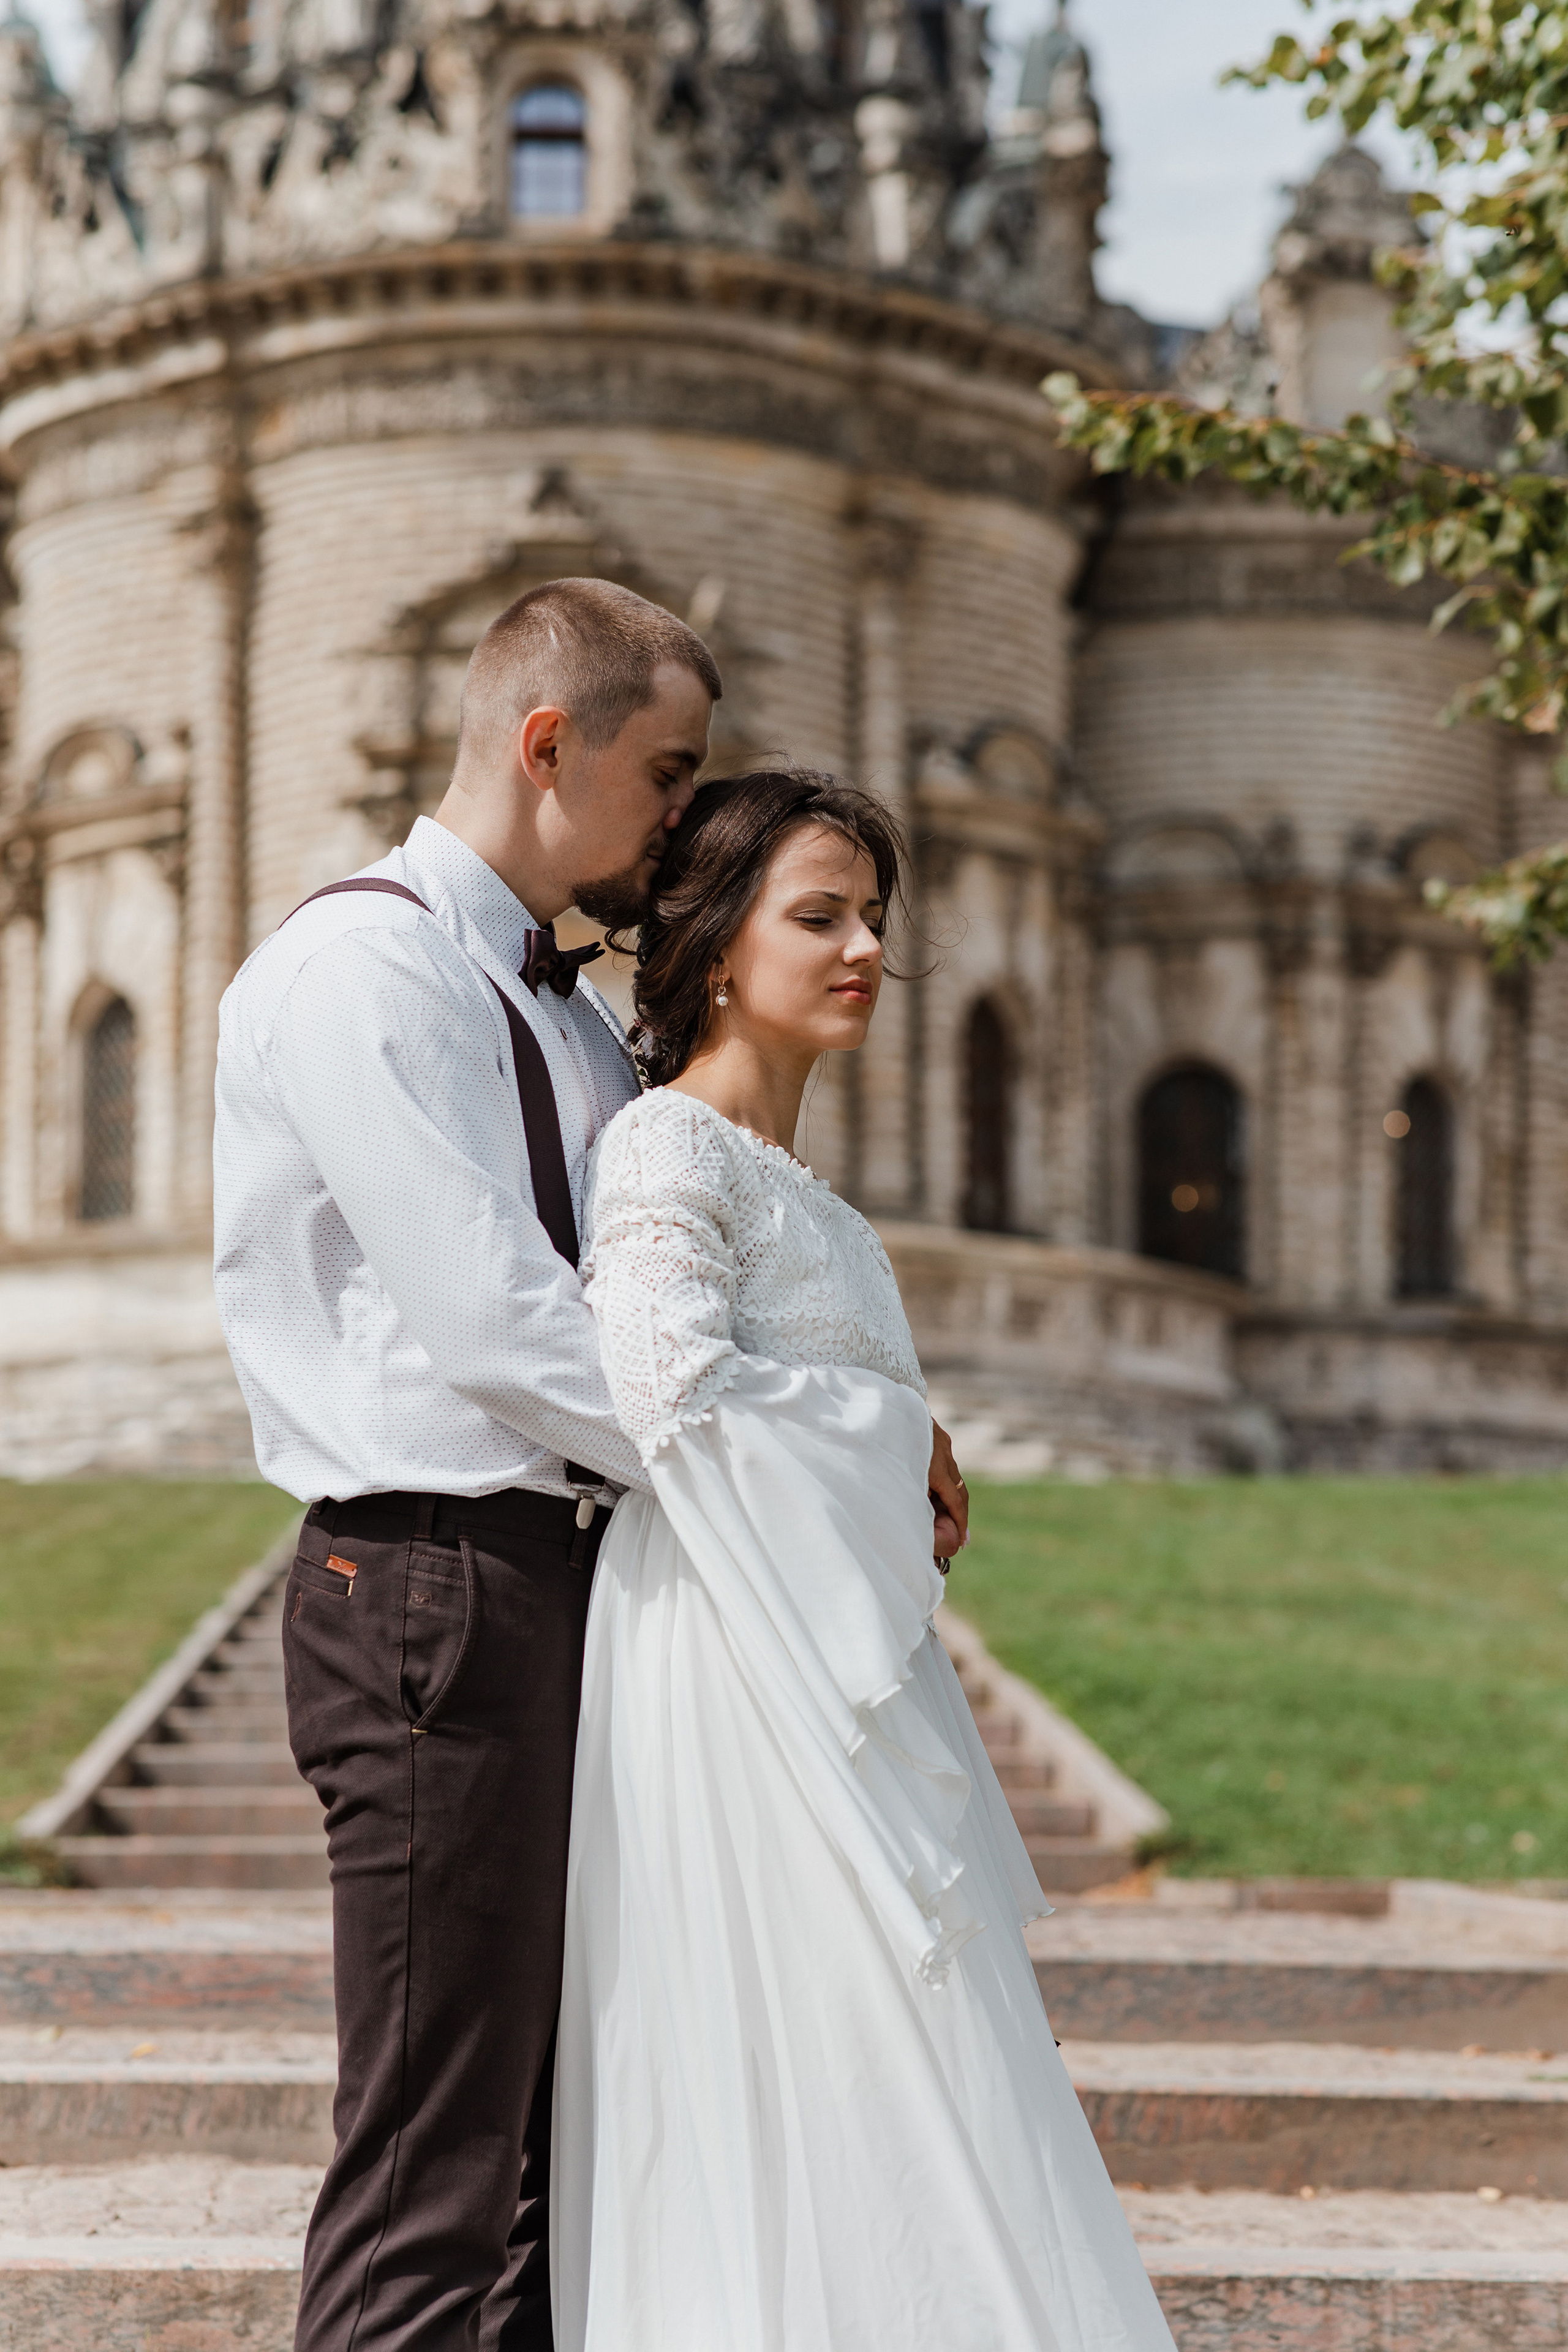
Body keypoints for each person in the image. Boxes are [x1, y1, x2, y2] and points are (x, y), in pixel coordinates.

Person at [213, 581, 965, 2352]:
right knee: (436, 2162)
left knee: (566, 2151)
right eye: (670, 774)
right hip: (433, 1590)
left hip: (584, 1588)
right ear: (549, 747)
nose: (687, 823)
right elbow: (507, 1335)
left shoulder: (562, 1014)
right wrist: (826, 1473)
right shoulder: (364, 970)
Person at [555, 770, 1177, 2351]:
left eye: (874, 921)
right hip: (730, 1652)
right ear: (710, 946)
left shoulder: (811, 1199)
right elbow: (668, 1387)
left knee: (918, 2034)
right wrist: (886, 1444)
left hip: (843, 1656)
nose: (864, 952)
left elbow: (798, 1393)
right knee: (805, 2032)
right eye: (819, 916)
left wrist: (902, 1447)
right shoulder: (663, 1152)